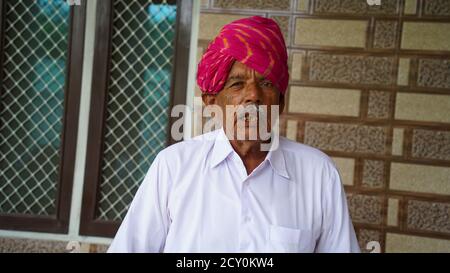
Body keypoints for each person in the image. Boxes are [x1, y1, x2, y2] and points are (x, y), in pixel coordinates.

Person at [108, 16, 360, 253]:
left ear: (280, 102)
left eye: (267, 83)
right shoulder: (173, 167)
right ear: (211, 101)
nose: (253, 96)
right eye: (237, 84)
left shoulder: (319, 174)